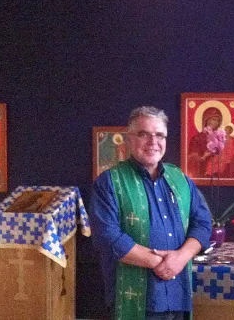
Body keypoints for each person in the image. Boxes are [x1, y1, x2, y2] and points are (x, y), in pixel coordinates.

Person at [90, 106, 212, 320]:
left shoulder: (180, 179)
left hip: (177, 296)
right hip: (135, 298)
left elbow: (203, 224)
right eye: (143, 134)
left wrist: (181, 257)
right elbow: (107, 236)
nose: (152, 142)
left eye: (159, 135)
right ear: (129, 139)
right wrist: (159, 263)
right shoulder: (110, 182)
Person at [187, 107, 224, 178]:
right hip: (202, 172)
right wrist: (203, 157)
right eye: (214, 119)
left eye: (218, 120)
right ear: (206, 120)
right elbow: (191, 158)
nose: (216, 122)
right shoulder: (197, 138)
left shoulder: (220, 138)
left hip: (217, 172)